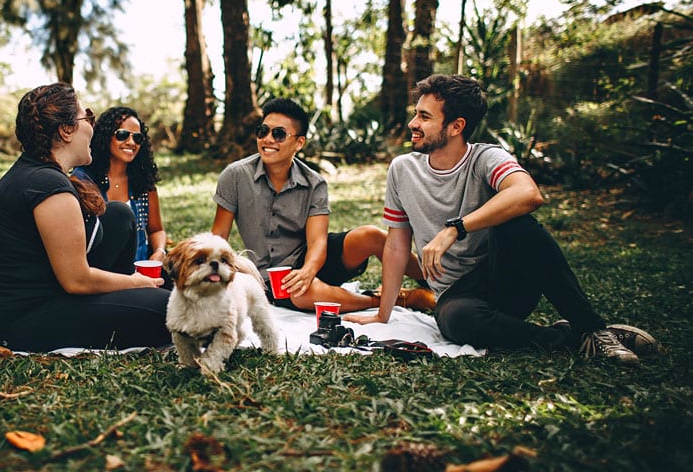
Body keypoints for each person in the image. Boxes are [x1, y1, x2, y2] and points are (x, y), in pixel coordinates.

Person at [345, 74, 657, 365]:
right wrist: (382, 315)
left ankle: (594, 327)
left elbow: (528, 194)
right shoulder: (402, 170)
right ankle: (574, 338)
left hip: (506, 280)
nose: (413, 123)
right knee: (457, 321)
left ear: (456, 126)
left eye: (425, 117)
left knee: (518, 223)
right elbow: (397, 246)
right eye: (416, 113)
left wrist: (456, 228)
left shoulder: (486, 157)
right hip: (457, 297)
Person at [0, 83, 171, 352]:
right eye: (87, 116)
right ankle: (137, 299)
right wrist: (136, 282)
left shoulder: (40, 173)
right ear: (66, 131)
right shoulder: (47, 186)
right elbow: (77, 280)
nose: (92, 125)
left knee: (118, 215)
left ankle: (132, 298)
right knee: (169, 310)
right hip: (19, 319)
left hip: (44, 292)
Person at [211, 97, 430, 313]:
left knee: (371, 235)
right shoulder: (235, 176)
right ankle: (396, 300)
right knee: (301, 292)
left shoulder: (314, 183)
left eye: (278, 134)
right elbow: (218, 237)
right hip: (272, 277)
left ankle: (434, 281)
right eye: (263, 131)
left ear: (299, 143)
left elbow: (317, 241)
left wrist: (307, 271)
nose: (268, 139)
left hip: (312, 260)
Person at [73, 106, 167, 264]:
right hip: (101, 273)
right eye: (122, 135)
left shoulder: (143, 181)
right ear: (105, 136)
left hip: (142, 270)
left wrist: (159, 252)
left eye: (137, 138)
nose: (131, 142)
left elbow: (156, 230)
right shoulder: (83, 180)